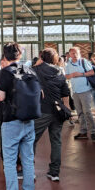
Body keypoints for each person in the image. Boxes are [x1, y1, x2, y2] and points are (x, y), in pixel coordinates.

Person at [0, 43, 37, 190]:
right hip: (29, 119)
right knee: (28, 159)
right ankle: (29, 187)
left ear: (5, 56)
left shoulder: (5, 72)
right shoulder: (29, 70)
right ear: (19, 55)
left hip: (11, 120)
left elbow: (1, 97)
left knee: (9, 160)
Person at [33, 48, 71, 182]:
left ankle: (29, 170)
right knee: (56, 141)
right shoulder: (60, 71)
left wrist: (38, 63)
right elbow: (65, 92)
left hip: (43, 110)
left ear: (41, 57)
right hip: (58, 110)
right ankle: (54, 172)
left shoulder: (37, 70)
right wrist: (67, 108)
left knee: (32, 139)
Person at [65, 47, 95, 141]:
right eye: (72, 53)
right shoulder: (68, 65)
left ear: (79, 53)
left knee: (87, 111)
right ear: (69, 54)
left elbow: (92, 72)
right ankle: (83, 131)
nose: (74, 55)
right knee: (79, 112)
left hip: (85, 90)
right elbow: (66, 76)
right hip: (75, 91)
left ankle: (92, 132)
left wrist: (80, 74)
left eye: (75, 53)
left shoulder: (84, 62)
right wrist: (71, 75)